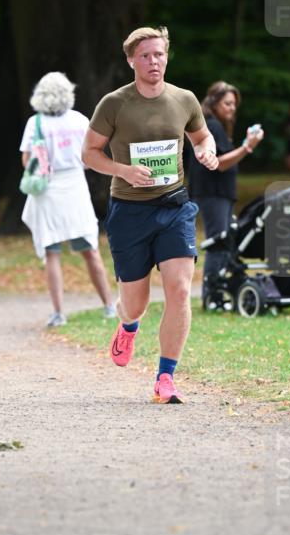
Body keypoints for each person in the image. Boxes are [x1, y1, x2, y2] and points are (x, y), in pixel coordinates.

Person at [82, 26, 218, 404]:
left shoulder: (184, 99)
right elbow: (89, 153)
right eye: (145, 56)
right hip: (129, 211)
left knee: (179, 289)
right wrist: (123, 170)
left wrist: (207, 151)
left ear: (166, 56)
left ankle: (166, 377)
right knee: (136, 301)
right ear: (131, 61)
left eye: (158, 54)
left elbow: (202, 136)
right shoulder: (114, 103)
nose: (153, 61)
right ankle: (128, 325)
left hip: (173, 207)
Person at [20, 72, 115, 327]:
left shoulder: (35, 123)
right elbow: (91, 155)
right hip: (75, 187)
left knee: (52, 252)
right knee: (90, 250)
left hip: (47, 189)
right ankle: (109, 305)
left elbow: (27, 160)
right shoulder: (80, 120)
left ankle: (59, 312)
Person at [187, 80, 264, 301]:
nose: (232, 108)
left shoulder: (214, 126)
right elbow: (220, 162)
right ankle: (212, 296)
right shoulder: (212, 125)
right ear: (214, 103)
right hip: (212, 192)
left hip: (218, 193)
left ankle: (216, 293)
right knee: (218, 242)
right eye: (227, 103)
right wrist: (247, 146)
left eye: (234, 104)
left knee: (221, 240)